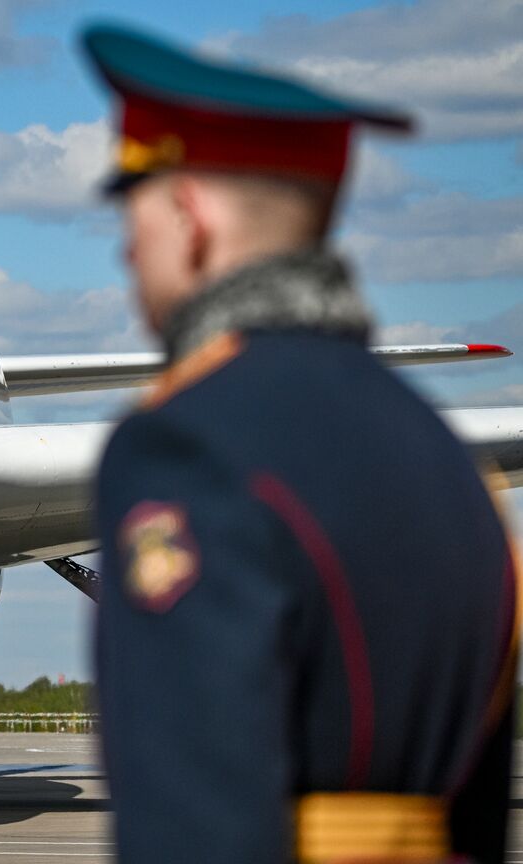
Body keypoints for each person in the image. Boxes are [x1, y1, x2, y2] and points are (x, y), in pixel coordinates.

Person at [81, 23, 517, 864]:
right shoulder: (453, 466)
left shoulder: (187, 447)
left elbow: (196, 822)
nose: (125, 247)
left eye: (135, 209)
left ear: (190, 217)